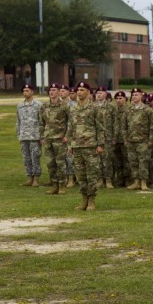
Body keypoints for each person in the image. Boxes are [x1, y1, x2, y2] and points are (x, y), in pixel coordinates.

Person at [66, 81, 104, 210]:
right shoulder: (73, 108)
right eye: (78, 90)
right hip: (77, 146)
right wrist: (70, 145)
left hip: (90, 145)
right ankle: (84, 200)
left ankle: (92, 200)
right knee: (80, 175)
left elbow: (100, 128)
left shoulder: (94, 108)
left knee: (92, 174)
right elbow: (70, 127)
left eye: (82, 90)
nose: (79, 92)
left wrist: (100, 144)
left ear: (88, 92)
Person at [39, 83, 70, 195]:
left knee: (60, 163)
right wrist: (42, 136)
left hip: (60, 139)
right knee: (50, 163)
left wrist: (67, 135)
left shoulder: (65, 105)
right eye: (50, 90)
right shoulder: (44, 106)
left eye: (54, 90)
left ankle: (62, 185)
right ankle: (54, 185)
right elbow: (41, 123)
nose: (51, 92)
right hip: (48, 138)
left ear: (58, 92)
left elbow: (70, 121)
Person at [123, 87, 153, 191]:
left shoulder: (147, 110)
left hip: (143, 140)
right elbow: (124, 126)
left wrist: (150, 139)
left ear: (141, 96)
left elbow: (152, 126)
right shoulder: (128, 110)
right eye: (133, 95)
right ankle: (136, 181)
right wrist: (125, 139)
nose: (134, 96)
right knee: (133, 162)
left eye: (136, 95)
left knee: (143, 162)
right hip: (131, 140)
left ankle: (143, 182)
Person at [16, 84, 42, 187]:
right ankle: (29, 177)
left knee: (35, 157)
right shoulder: (19, 105)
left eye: (27, 90)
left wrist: (41, 136)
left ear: (32, 92)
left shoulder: (38, 105)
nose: (25, 92)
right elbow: (18, 121)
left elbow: (42, 121)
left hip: (35, 136)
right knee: (26, 158)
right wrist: (19, 134)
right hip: (24, 136)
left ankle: (36, 178)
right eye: (24, 91)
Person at [94, 86, 116, 189]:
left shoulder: (111, 107)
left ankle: (108, 180)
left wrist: (114, 137)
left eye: (101, 93)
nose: (99, 94)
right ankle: (99, 180)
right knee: (97, 159)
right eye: (97, 93)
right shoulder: (92, 106)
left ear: (106, 94)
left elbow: (115, 123)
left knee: (107, 159)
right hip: (95, 138)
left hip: (107, 137)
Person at [112, 91, 130, 187]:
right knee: (117, 161)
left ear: (125, 100)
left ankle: (127, 179)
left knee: (127, 160)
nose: (118, 100)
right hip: (116, 139)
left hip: (125, 139)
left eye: (121, 98)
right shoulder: (114, 110)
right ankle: (119, 179)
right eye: (117, 99)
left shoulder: (128, 110)